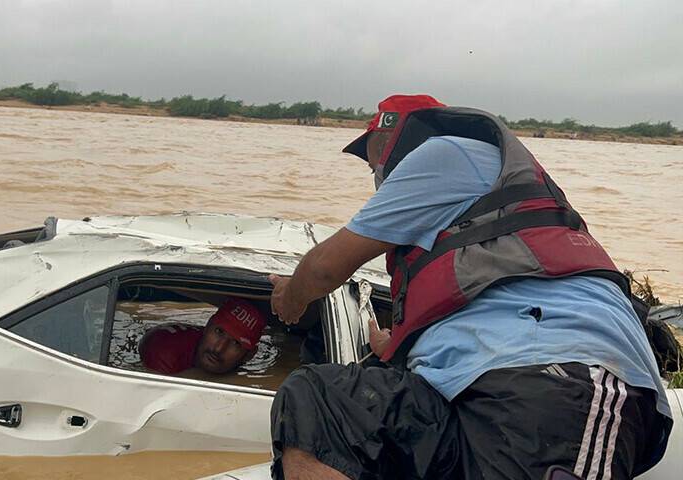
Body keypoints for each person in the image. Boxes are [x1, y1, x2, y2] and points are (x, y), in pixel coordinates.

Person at [268, 95, 672, 480]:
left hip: (552, 378)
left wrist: (291, 297)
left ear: (400, 137)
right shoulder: (454, 204)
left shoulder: (449, 152)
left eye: (377, 155)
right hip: (468, 393)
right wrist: (401, 349)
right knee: (317, 402)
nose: (377, 175)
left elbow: (324, 268)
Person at [139, 297, 267, 375]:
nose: (219, 349)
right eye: (219, 331)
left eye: (236, 343)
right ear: (207, 326)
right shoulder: (165, 353)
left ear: (250, 355)